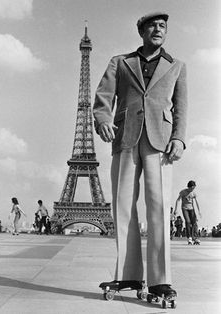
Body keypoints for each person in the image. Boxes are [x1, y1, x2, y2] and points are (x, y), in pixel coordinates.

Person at [93, 12, 188, 300]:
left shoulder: (177, 66)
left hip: (160, 141)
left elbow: (181, 107)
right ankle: (127, 274)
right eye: (152, 26)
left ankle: (161, 281)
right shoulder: (120, 62)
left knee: (159, 207)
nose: (158, 29)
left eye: (162, 26)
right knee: (123, 206)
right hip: (125, 137)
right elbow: (103, 97)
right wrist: (103, 119)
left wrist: (180, 139)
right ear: (141, 31)